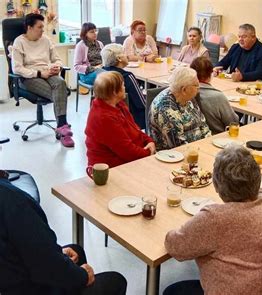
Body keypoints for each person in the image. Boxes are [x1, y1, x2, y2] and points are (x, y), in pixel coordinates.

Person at [164, 145, 262, 295]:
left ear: (216, 185)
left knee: (172, 291)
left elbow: (175, 247)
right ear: (257, 179)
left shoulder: (215, 218)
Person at [0, 170, 127, 295]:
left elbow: (28, 248)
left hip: (11, 276)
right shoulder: (14, 201)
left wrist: (57, 253)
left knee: (76, 250)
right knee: (115, 281)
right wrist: (82, 277)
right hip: (27, 287)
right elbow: (46, 266)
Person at [11, 13, 73, 147]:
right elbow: (17, 69)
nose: (42, 30)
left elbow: (57, 59)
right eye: (39, 27)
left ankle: (61, 126)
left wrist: (56, 66)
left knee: (60, 83)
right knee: (60, 92)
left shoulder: (46, 40)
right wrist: (39, 73)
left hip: (48, 72)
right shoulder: (19, 42)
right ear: (29, 27)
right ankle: (63, 128)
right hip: (30, 77)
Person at [85, 71, 155, 168]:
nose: (124, 87)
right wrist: (149, 152)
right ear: (114, 92)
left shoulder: (118, 104)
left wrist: (149, 141)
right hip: (111, 168)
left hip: (129, 158)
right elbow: (127, 151)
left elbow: (135, 129)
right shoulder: (104, 117)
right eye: (122, 85)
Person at [150, 67, 211, 150]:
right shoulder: (167, 108)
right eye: (196, 85)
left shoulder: (189, 98)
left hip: (198, 148)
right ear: (184, 89)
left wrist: (208, 143)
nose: (199, 88)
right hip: (175, 155)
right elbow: (178, 145)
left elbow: (203, 125)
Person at [101, 43, 147, 129]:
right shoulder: (127, 76)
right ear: (119, 58)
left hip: (110, 114)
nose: (127, 56)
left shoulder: (102, 73)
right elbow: (141, 103)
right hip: (131, 117)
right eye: (124, 53)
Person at [190, 57, 239, 134]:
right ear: (210, 74)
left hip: (194, 134)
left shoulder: (186, 91)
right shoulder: (217, 96)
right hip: (216, 137)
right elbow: (233, 122)